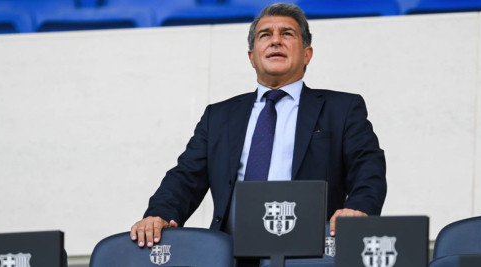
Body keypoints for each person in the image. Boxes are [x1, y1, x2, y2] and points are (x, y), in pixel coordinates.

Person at [130, 3, 386, 249]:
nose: (276, 40)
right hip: (232, 249)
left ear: (307, 53)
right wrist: (159, 215)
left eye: (287, 33)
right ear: (252, 57)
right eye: (265, 35)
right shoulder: (219, 116)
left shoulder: (341, 108)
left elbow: (368, 166)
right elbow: (185, 177)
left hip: (311, 249)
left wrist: (360, 209)